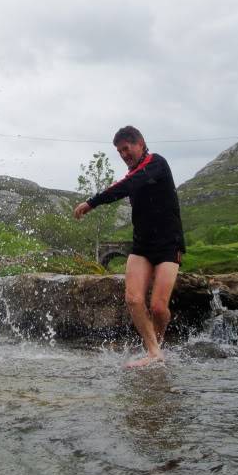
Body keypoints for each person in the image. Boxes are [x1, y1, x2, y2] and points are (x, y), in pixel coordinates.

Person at [74, 126, 185, 368]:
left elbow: (127, 185)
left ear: (140, 143)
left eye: (127, 148)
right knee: (134, 299)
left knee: (157, 307)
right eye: (119, 151)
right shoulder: (133, 172)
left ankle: (158, 343)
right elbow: (126, 183)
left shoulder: (157, 163)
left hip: (169, 242)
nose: (124, 154)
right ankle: (154, 351)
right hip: (142, 244)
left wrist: (92, 203)